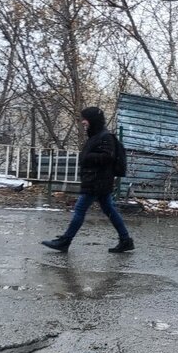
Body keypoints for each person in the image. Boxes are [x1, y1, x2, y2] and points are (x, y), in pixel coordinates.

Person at [42, 107, 135, 253]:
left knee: (80, 209)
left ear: (93, 120)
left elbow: (108, 156)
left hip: (97, 181)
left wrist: (87, 157)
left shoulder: (105, 137)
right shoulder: (96, 135)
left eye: (85, 119)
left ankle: (65, 241)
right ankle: (125, 240)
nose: (83, 122)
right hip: (96, 180)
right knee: (109, 209)